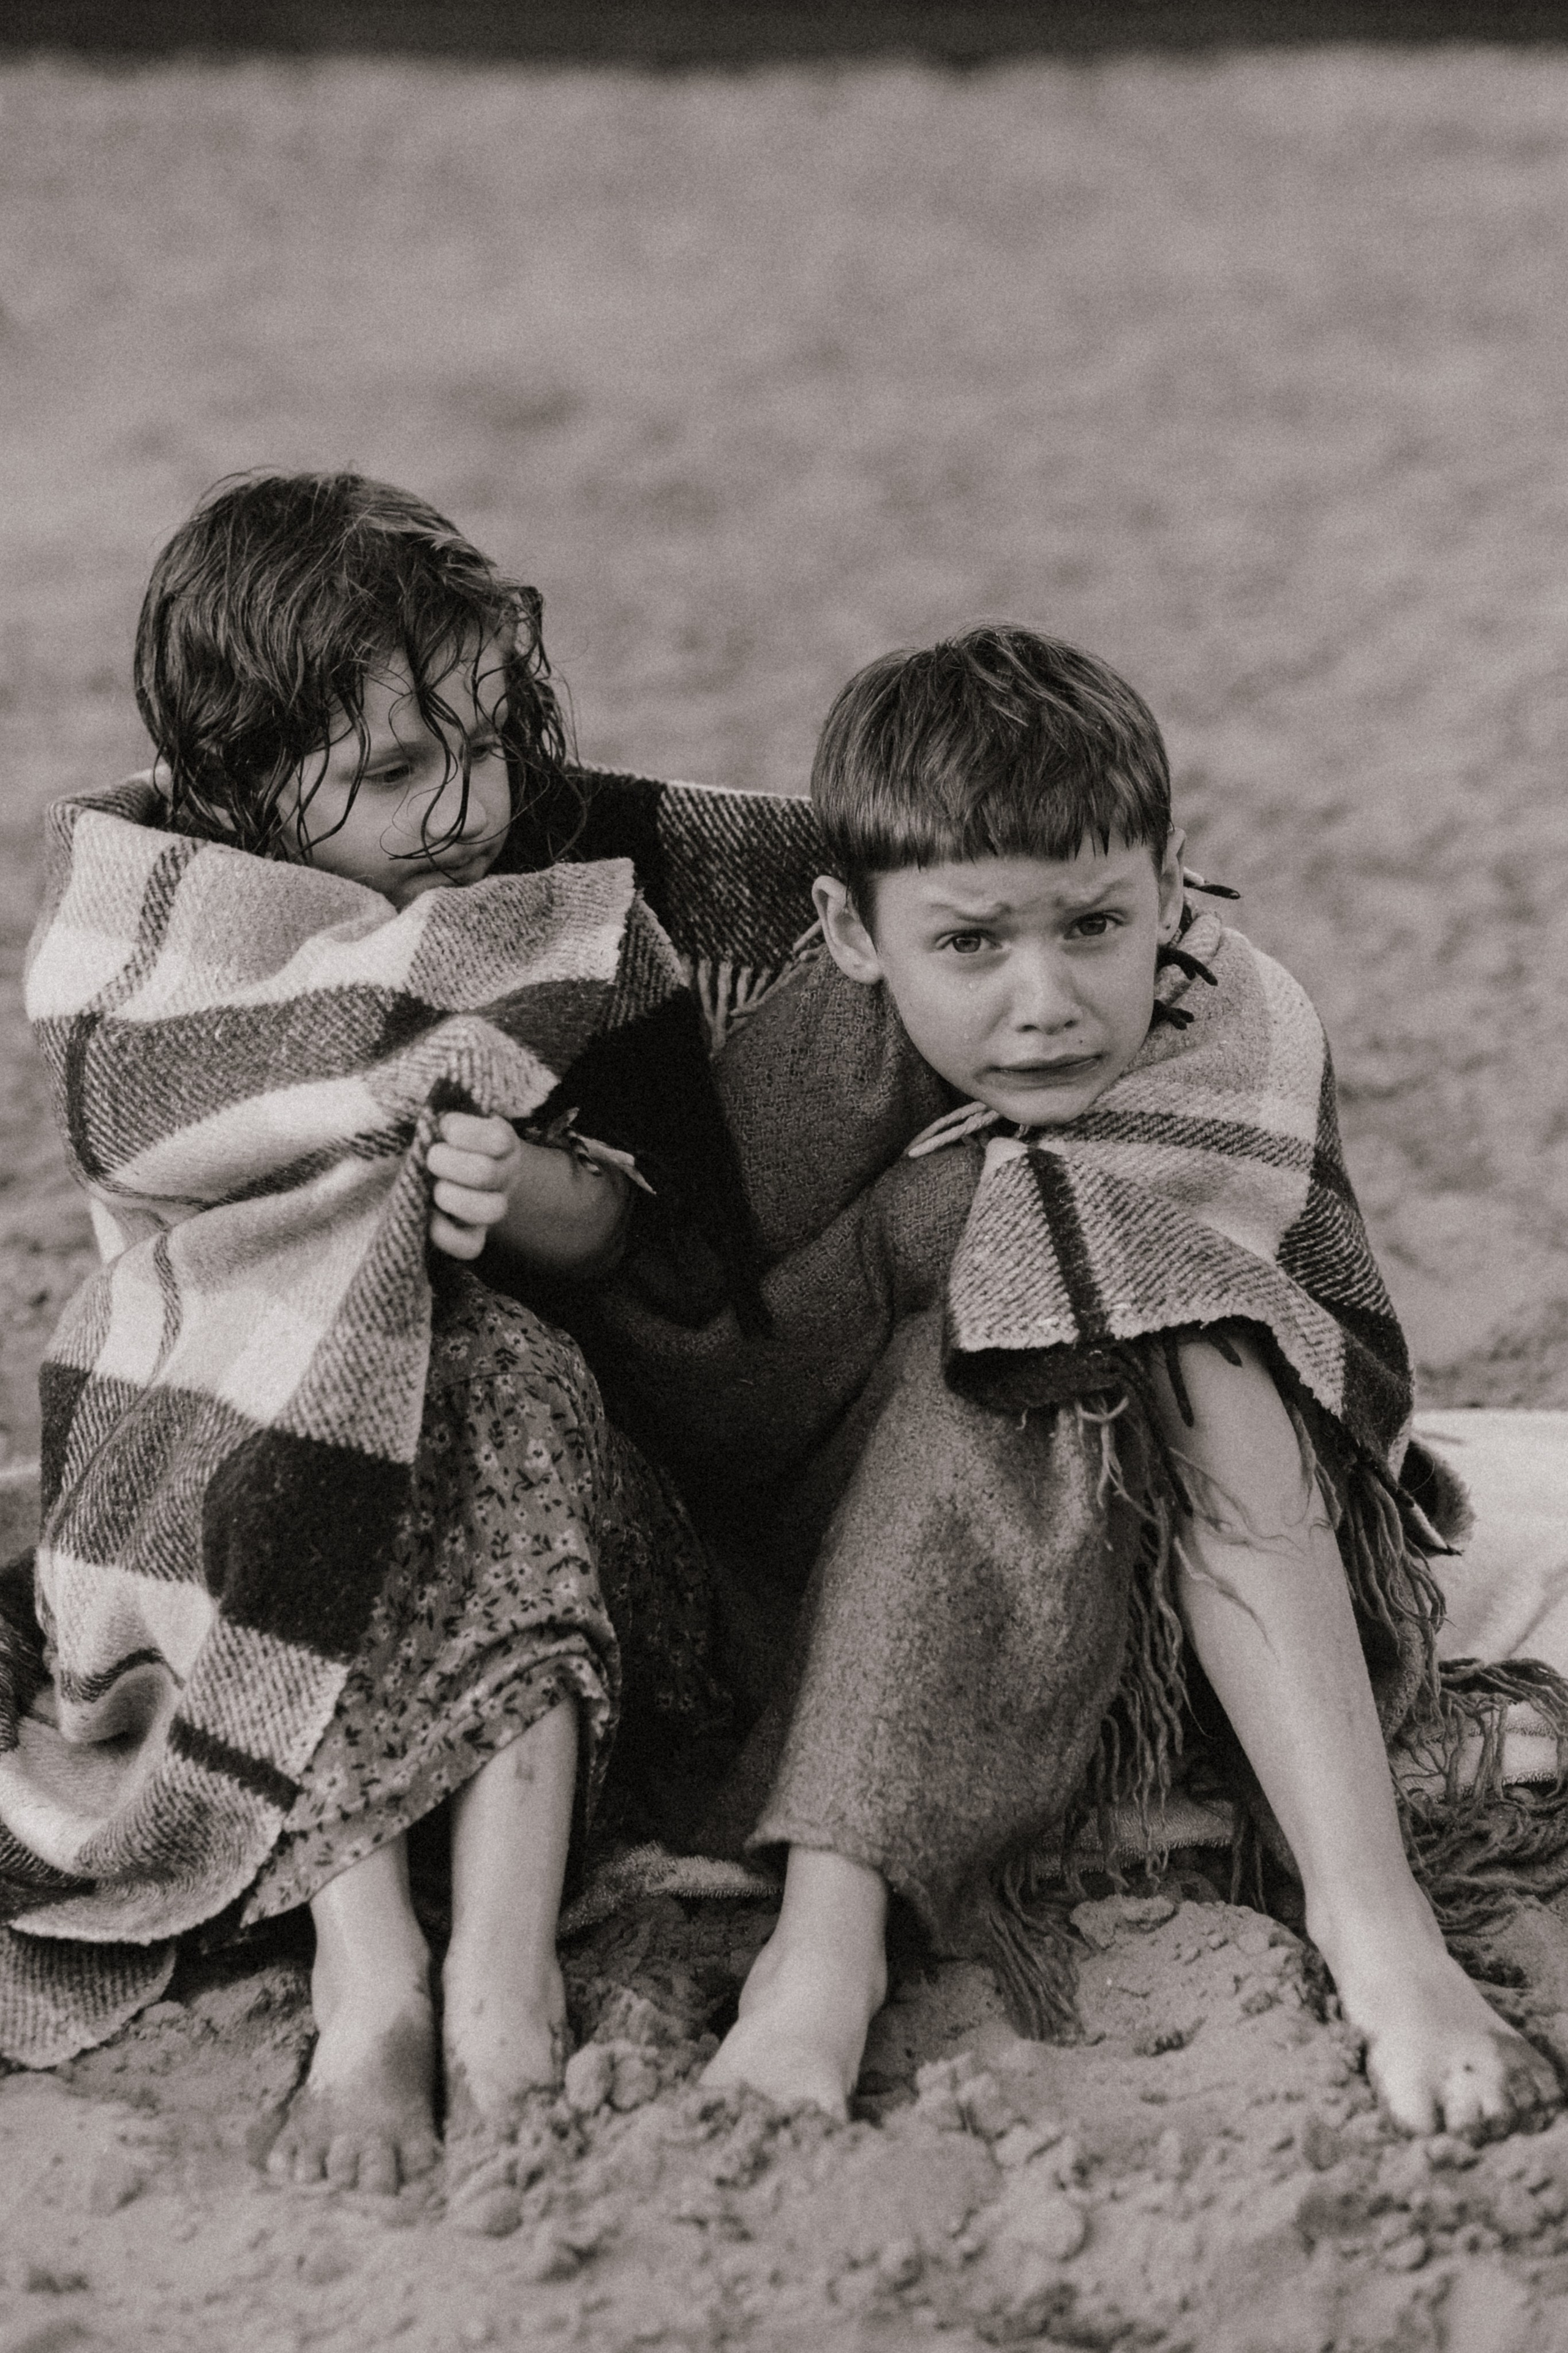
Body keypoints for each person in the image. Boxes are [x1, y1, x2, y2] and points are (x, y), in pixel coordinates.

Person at [543, 626, 1566, 2142]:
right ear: (848, 931)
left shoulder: (1229, 1023)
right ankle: (825, 1943)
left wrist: (974, 1236)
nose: (1046, 1000)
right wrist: (910, 1231)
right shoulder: (793, 1052)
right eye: (970, 945)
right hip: (798, 1575)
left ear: (1169, 888)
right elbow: (696, 1352)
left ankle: (1369, 1930)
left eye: (1093, 925)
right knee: (994, 1285)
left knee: (1092, 1319)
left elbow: (1284, 1373)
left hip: (1151, 1552)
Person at [6, 472, 730, 2194]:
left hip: (574, 1555)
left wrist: (551, 1200)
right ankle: (372, 1960)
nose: (466, 807)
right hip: (232, 1533)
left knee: (491, 1363)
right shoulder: (164, 952)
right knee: (318, 1380)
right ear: (241, 780)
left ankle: (499, 1963)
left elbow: (697, 1268)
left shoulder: (562, 919)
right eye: (398, 770)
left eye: (486, 743)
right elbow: (165, 1308)